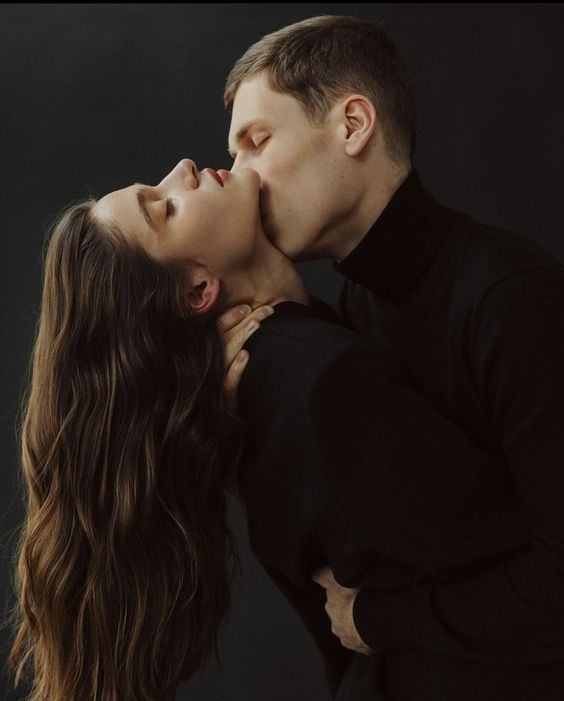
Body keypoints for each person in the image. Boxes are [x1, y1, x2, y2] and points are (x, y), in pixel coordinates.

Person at [6, 153, 522, 701]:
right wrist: (373, 619)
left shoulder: (266, 382)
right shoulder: (320, 377)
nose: (183, 167)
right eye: (166, 208)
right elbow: (528, 572)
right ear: (198, 292)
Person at [220, 13, 564, 701]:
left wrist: (377, 619)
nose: (242, 182)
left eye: (256, 142)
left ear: (353, 125)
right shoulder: (356, 308)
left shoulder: (513, 298)